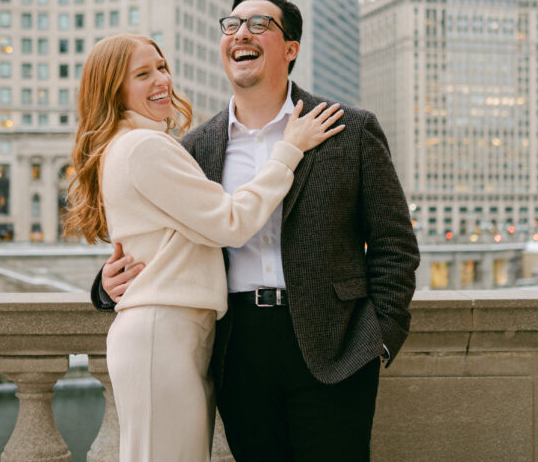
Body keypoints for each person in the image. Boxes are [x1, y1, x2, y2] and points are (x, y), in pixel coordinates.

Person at [93, 0, 421, 462]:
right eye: (232, 25)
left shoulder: (349, 129)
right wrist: (105, 286)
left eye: (260, 24)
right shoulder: (192, 147)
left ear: (290, 49)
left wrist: (379, 339)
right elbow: (156, 236)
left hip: (333, 344)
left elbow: (395, 244)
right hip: (236, 347)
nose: (241, 33)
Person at [65, 33, 345, 462]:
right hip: (164, 333)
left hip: (173, 332)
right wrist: (288, 151)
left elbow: (155, 239)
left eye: (161, 67)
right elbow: (230, 223)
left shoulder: (133, 145)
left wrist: (107, 284)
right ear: (113, 90)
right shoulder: (143, 146)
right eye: (142, 74)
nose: (162, 80)